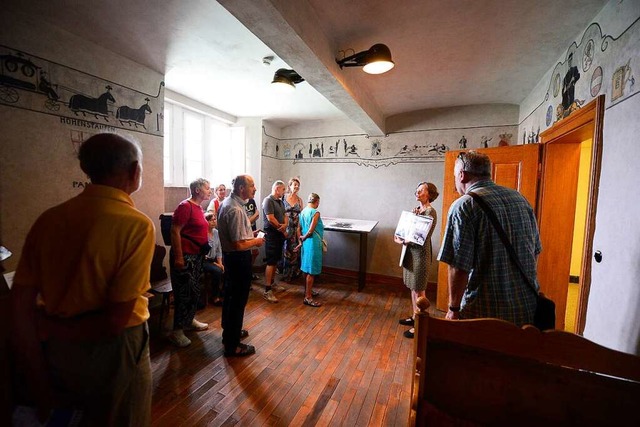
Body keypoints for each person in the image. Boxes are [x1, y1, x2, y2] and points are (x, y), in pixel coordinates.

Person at [9, 133, 155, 425]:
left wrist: (37, 373)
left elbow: (20, 305)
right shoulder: (135, 225)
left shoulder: (49, 219)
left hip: (56, 348)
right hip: (116, 349)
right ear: (134, 170)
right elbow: (115, 321)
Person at [437, 151, 541, 326]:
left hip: (484, 311)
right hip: (526, 306)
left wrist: (453, 309)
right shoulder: (520, 199)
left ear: (462, 175)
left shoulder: (464, 206)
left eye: (455, 176)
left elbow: (458, 266)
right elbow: (535, 251)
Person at [217, 175, 264, 357]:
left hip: (232, 258)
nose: (255, 189)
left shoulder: (230, 204)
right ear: (242, 188)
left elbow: (236, 236)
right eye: (252, 185)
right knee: (237, 301)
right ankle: (232, 345)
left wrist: (251, 235)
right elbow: (237, 245)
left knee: (231, 298)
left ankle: (230, 333)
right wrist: (256, 242)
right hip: (238, 259)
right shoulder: (235, 209)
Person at [168, 178, 212, 347]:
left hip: (196, 257)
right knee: (183, 293)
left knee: (194, 291)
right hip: (185, 257)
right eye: (207, 188)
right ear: (197, 190)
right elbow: (175, 231)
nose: (210, 190)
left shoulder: (198, 208)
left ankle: (189, 320)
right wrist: (179, 257)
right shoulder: (185, 206)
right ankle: (177, 331)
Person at [394, 182, 439, 339]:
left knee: (419, 289)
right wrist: (414, 217)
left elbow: (421, 235)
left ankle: (420, 325)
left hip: (420, 254)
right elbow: (411, 228)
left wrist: (404, 240)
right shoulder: (420, 210)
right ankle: (415, 317)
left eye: (421, 191)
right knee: (413, 288)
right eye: (417, 190)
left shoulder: (430, 212)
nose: (417, 193)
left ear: (429, 194)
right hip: (411, 253)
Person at [261, 180, 288, 303]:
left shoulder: (280, 201)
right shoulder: (268, 200)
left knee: (276, 260)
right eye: (283, 189)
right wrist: (281, 229)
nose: (284, 192)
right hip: (272, 235)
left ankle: (272, 283)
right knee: (271, 262)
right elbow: (270, 218)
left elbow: (285, 215)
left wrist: (285, 225)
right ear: (277, 189)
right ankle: (267, 290)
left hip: (279, 235)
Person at [299, 193, 324, 307]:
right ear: (317, 201)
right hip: (313, 242)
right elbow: (311, 230)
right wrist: (304, 237)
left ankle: (307, 291)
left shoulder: (303, 212)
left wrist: (301, 240)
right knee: (311, 271)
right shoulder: (315, 213)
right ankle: (308, 297)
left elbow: (298, 229)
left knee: (306, 268)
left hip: (305, 243)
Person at [282, 177, 303, 282]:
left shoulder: (299, 200)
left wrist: (299, 228)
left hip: (296, 229)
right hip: (286, 228)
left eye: (298, 185)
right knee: (286, 251)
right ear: (289, 186)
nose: (296, 187)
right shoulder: (283, 198)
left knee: (295, 251)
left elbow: (301, 215)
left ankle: (295, 273)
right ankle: (286, 274)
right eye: (294, 184)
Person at [203, 212, 224, 306]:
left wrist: (220, 263)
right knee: (217, 271)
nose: (214, 221)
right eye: (211, 220)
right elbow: (203, 253)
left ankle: (222, 291)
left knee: (225, 267)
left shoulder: (216, 232)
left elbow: (219, 249)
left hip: (213, 259)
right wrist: (216, 265)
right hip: (204, 260)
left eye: (215, 219)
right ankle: (214, 297)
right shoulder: (202, 233)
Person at [243, 196, 260, 281]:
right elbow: (244, 223)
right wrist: (254, 216)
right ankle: (246, 274)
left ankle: (249, 271)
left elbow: (257, 215)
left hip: (252, 229)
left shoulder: (252, 200)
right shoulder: (240, 203)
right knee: (246, 254)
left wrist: (253, 217)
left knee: (255, 252)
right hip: (244, 231)